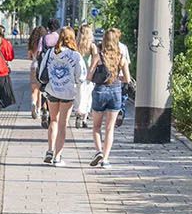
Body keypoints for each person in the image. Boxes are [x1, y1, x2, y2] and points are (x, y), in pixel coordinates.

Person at [40, 26, 86, 165]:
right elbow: (81, 77)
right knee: (63, 124)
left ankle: (50, 150)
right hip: (68, 93)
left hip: (52, 90)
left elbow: (41, 71)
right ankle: (58, 156)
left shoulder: (51, 52)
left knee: (53, 120)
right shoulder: (75, 55)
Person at [87, 28, 132, 167]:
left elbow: (89, 76)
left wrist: (96, 76)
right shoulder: (121, 57)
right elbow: (127, 79)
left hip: (100, 91)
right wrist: (117, 77)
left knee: (96, 127)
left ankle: (98, 151)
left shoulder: (98, 56)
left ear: (104, 40)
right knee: (109, 128)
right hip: (115, 92)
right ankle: (105, 159)